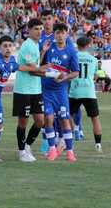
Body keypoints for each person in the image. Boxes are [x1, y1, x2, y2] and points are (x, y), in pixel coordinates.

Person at [0, 35, 43, 164]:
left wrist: (39, 69)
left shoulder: (12, 61)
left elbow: (21, 67)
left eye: (10, 46)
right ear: (0, 47)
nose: (8, 48)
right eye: (5, 46)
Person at [40, 23, 79, 162]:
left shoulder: (71, 52)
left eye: (62, 32)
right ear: (54, 34)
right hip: (47, 90)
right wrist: (43, 51)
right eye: (57, 32)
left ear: (66, 34)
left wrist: (65, 77)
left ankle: (70, 152)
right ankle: (52, 150)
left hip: (61, 91)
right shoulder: (48, 47)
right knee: (49, 119)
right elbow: (38, 66)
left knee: (64, 120)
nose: (60, 35)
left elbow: (75, 72)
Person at [12, 18, 47, 163]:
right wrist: (51, 73)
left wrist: (43, 53)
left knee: (40, 121)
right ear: (29, 30)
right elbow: (33, 70)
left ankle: (27, 146)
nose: (39, 31)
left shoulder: (36, 44)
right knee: (23, 122)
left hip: (35, 89)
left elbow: (36, 65)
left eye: (41, 29)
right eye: (36, 29)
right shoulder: (27, 45)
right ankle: (21, 152)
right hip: (23, 89)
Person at [69, 37, 103, 152]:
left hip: (75, 91)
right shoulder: (93, 59)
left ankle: (74, 133)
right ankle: (98, 144)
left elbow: (69, 73)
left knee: (67, 115)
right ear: (88, 45)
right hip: (89, 92)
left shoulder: (73, 57)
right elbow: (96, 76)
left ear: (77, 45)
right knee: (95, 119)